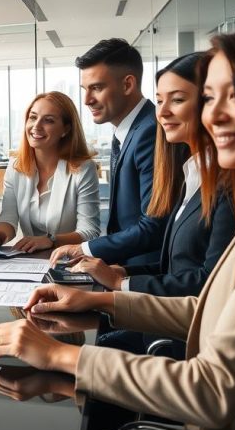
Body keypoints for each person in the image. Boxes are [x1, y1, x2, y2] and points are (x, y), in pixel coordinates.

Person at [0, 21, 235, 430]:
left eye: (234, 96)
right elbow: (210, 310)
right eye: (211, 98)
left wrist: (58, 356)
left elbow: (210, 391)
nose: (212, 115)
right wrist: (100, 300)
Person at [69, 53, 235, 300]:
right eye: (159, 101)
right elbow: (173, 263)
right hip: (156, 300)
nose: (163, 113)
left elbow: (209, 279)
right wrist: (123, 274)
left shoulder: (229, 185)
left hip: (178, 323)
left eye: (177, 99)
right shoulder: (191, 174)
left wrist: (119, 282)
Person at [50, 38, 167, 266]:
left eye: (97, 88)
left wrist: (85, 248)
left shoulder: (149, 133)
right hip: (124, 265)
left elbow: (154, 225)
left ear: (127, 85)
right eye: (85, 89)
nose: (86, 100)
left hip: (145, 273)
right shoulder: (128, 132)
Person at [0, 92, 100, 253]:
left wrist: (50, 240)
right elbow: (8, 220)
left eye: (48, 120)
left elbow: (90, 233)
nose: (36, 126)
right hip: (30, 262)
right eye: (33, 117)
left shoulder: (83, 168)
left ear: (65, 129)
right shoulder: (15, 167)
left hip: (69, 261)